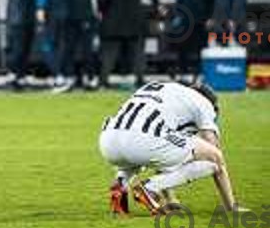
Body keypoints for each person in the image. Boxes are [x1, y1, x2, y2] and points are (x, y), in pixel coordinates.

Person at [99, 81, 239, 216]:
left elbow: (165, 158)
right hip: (145, 140)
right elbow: (214, 151)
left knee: (151, 149)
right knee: (214, 161)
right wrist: (231, 207)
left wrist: (170, 199)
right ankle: (150, 188)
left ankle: (120, 185)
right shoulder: (204, 103)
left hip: (108, 141)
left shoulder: (161, 89)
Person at [100, 0, 161, 88]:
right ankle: (140, 80)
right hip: (135, 21)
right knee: (138, 53)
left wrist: (102, 11)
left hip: (114, 22)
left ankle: (103, 81)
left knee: (110, 53)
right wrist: (153, 9)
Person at [56, 0, 102, 92]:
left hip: (86, 18)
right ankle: (70, 79)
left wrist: (99, 12)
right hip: (69, 19)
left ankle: (92, 78)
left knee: (87, 50)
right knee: (68, 50)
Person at [23, 0, 68, 86]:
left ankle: (59, 78)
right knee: (57, 45)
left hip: (50, 14)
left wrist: (40, 8)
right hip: (61, 13)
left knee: (46, 45)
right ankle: (61, 76)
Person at [173, 0, 216, 81]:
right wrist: (178, 14)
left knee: (201, 48)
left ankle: (200, 75)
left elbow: (215, 0)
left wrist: (212, 17)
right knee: (183, 48)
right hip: (186, 19)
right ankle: (183, 74)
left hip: (202, 20)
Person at [5, 0, 35, 89]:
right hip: (17, 19)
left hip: (29, 19)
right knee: (17, 50)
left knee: (26, 50)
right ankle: (14, 76)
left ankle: (22, 77)